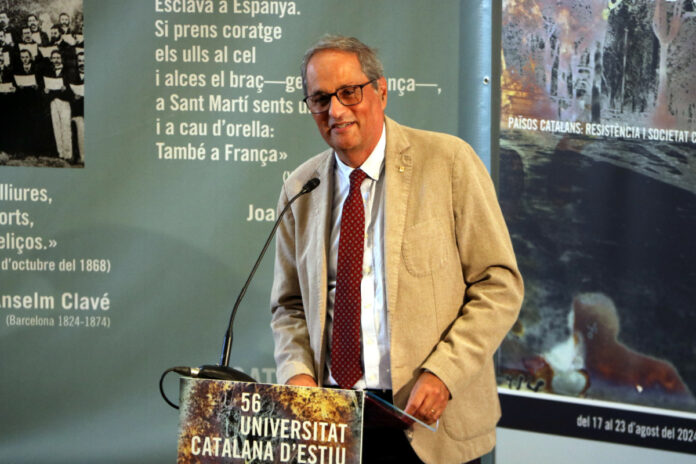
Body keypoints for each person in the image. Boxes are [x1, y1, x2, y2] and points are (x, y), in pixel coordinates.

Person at [270, 35, 524, 464]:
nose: (335, 110)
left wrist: (444, 373)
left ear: (381, 91)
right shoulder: (300, 188)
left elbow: (499, 285)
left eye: (349, 92)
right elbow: (289, 306)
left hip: (429, 423)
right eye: (320, 99)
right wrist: (296, 374)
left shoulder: (449, 162)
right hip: (334, 425)